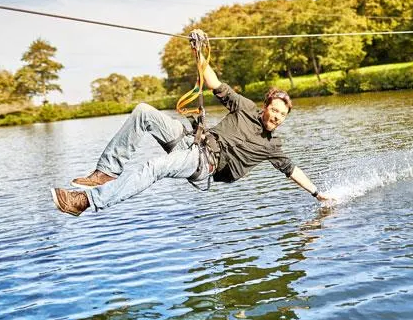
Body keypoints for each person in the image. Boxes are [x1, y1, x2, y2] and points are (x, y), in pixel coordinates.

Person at [51, 35, 334, 216]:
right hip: (193, 139)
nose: (276, 117)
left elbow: (293, 171)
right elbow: (213, 82)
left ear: (284, 118)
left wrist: (317, 193)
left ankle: (86, 202)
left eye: (281, 115)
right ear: (265, 106)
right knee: (144, 112)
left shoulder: (273, 147)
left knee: (154, 167)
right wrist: (198, 52)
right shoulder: (245, 106)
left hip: (204, 163)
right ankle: (106, 172)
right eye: (273, 110)